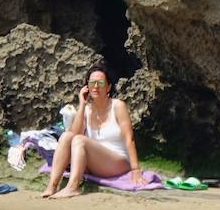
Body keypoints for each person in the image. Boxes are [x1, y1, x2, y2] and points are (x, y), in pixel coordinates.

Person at [41, 64, 145, 198]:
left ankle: (73, 187)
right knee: (67, 136)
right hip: (95, 164)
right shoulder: (87, 109)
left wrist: (136, 170)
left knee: (80, 140)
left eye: (100, 83)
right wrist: (82, 105)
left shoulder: (118, 106)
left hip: (118, 162)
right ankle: (52, 186)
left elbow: (129, 139)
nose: (96, 86)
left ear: (108, 87)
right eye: (92, 83)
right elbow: (74, 133)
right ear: (87, 87)